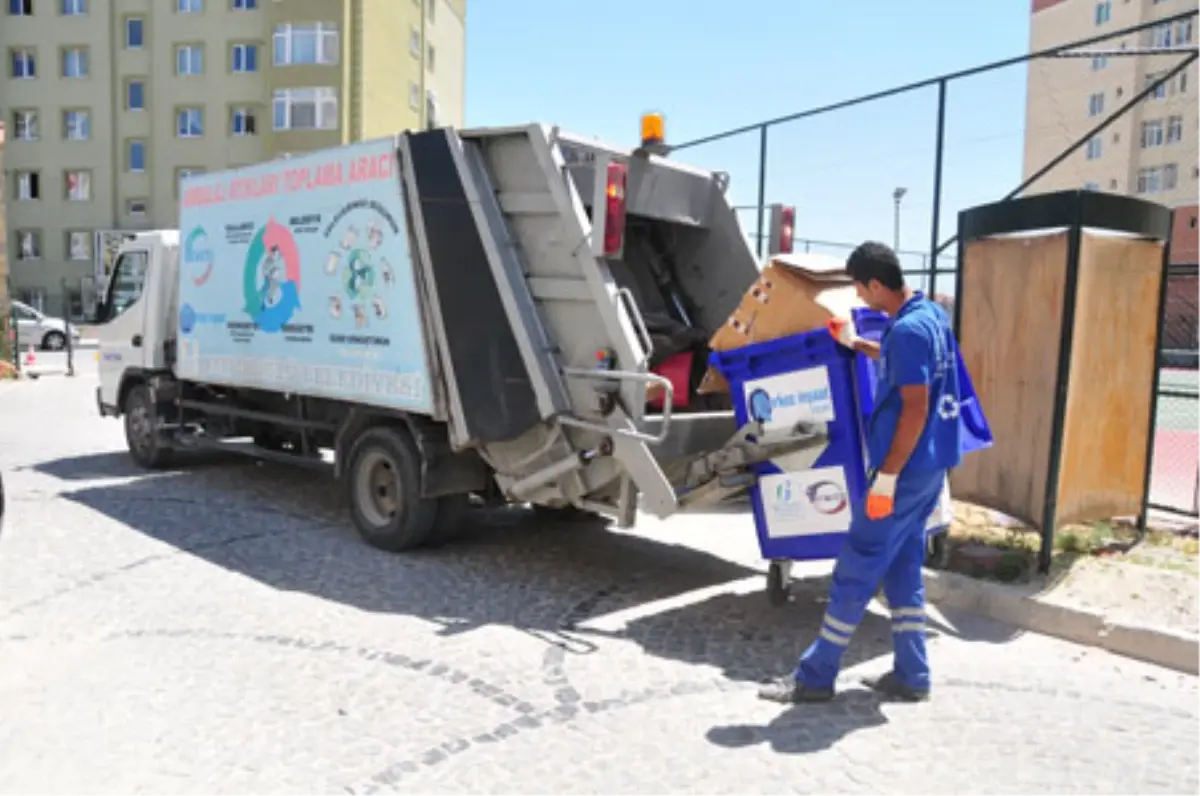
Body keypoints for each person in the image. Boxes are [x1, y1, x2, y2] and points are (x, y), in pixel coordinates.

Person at [759, 241, 963, 704]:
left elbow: (915, 407)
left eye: (859, 287)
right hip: (929, 468)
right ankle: (912, 674)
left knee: (857, 564)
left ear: (875, 284)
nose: (859, 296)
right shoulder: (927, 317)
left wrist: (887, 476)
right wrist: (857, 344)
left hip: (903, 471)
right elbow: (908, 367)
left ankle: (816, 676)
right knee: (903, 565)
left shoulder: (909, 331)